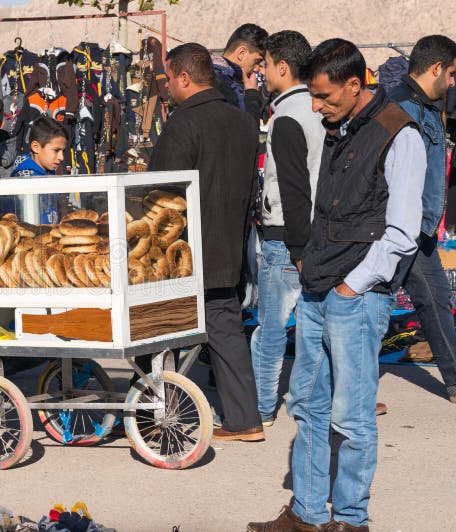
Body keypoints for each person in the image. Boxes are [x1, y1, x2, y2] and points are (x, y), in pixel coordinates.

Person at [248, 39, 426, 531]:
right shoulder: (337, 126)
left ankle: (349, 520)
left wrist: (353, 287)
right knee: (308, 407)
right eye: (313, 96)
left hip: (356, 297)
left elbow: (402, 234)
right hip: (319, 288)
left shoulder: (400, 134)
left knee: (351, 419)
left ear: (355, 84)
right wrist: (310, 267)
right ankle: (306, 514)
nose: (315, 106)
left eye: (324, 97)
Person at [145, 43, 264, 442]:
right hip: (228, 246)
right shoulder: (244, 122)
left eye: (167, 78)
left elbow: (160, 195)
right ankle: (245, 418)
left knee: (160, 332)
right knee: (226, 330)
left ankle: (161, 415)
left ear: (183, 78)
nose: (166, 87)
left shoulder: (183, 124)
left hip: (182, 252)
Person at [249, 31, 324, 427]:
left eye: (263, 65)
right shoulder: (319, 108)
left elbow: (293, 186)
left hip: (287, 235)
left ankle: (262, 407)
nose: (260, 72)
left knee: (271, 328)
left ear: (282, 66)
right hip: (311, 231)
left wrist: (294, 246)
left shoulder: (289, 116)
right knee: (311, 324)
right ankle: (312, 399)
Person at [390, 35, 456, 405]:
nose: (451, 82)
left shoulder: (425, 106)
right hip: (401, 228)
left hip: (420, 229)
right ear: (435, 68)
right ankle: (347, 390)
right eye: (450, 74)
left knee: (436, 301)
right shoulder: (403, 107)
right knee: (373, 307)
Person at [212, 23, 269, 121]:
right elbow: (248, 130)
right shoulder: (223, 84)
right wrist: (251, 94)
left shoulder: (214, 75)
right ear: (242, 53)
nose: (257, 68)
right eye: (257, 61)